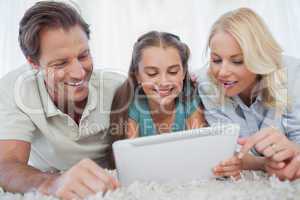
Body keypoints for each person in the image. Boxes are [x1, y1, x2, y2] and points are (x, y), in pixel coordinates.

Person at [0, 1, 123, 199]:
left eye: (83, 56)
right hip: (47, 176)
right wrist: (52, 183)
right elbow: (6, 165)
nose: (78, 72)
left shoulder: (118, 87)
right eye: (61, 63)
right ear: (33, 63)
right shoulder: (16, 88)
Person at [196, 7, 300, 180]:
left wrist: (293, 152)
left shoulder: (292, 75)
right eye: (216, 60)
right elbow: (230, 153)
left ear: (260, 57)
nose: (222, 72)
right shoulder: (207, 84)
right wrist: (263, 164)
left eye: (237, 61)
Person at [110, 31, 206, 139]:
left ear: (183, 72)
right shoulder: (133, 106)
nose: (163, 82)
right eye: (152, 73)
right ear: (137, 75)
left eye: (173, 72)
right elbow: (130, 153)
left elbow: (199, 146)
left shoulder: (190, 101)